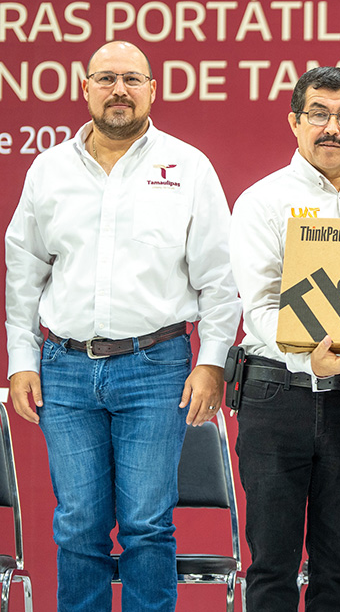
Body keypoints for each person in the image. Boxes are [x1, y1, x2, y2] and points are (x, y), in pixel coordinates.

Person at [4, 40, 240, 611]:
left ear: (152, 90)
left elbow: (219, 277)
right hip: (64, 368)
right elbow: (22, 273)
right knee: (79, 523)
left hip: (155, 367)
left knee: (147, 525)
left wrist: (211, 362)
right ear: (85, 88)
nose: (119, 90)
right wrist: (20, 362)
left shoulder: (188, 167)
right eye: (106, 78)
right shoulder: (49, 170)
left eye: (132, 79)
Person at [229, 66, 340, 611]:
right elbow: (258, 307)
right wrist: (308, 358)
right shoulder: (262, 200)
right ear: (295, 123)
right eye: (319, 115)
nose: (332, 127)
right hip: (279, 396)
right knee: (273, 568)